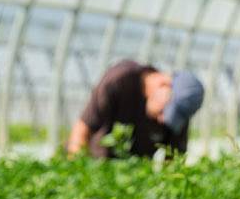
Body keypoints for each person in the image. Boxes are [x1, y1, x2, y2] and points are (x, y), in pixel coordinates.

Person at [66, 60, 204, 159]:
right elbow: (81, 130)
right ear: (164, 84)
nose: (163, 119)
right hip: (97, 171)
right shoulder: (120, 81)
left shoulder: (181, 108)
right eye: (165, 111)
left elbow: (173, 159)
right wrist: (79, 171)